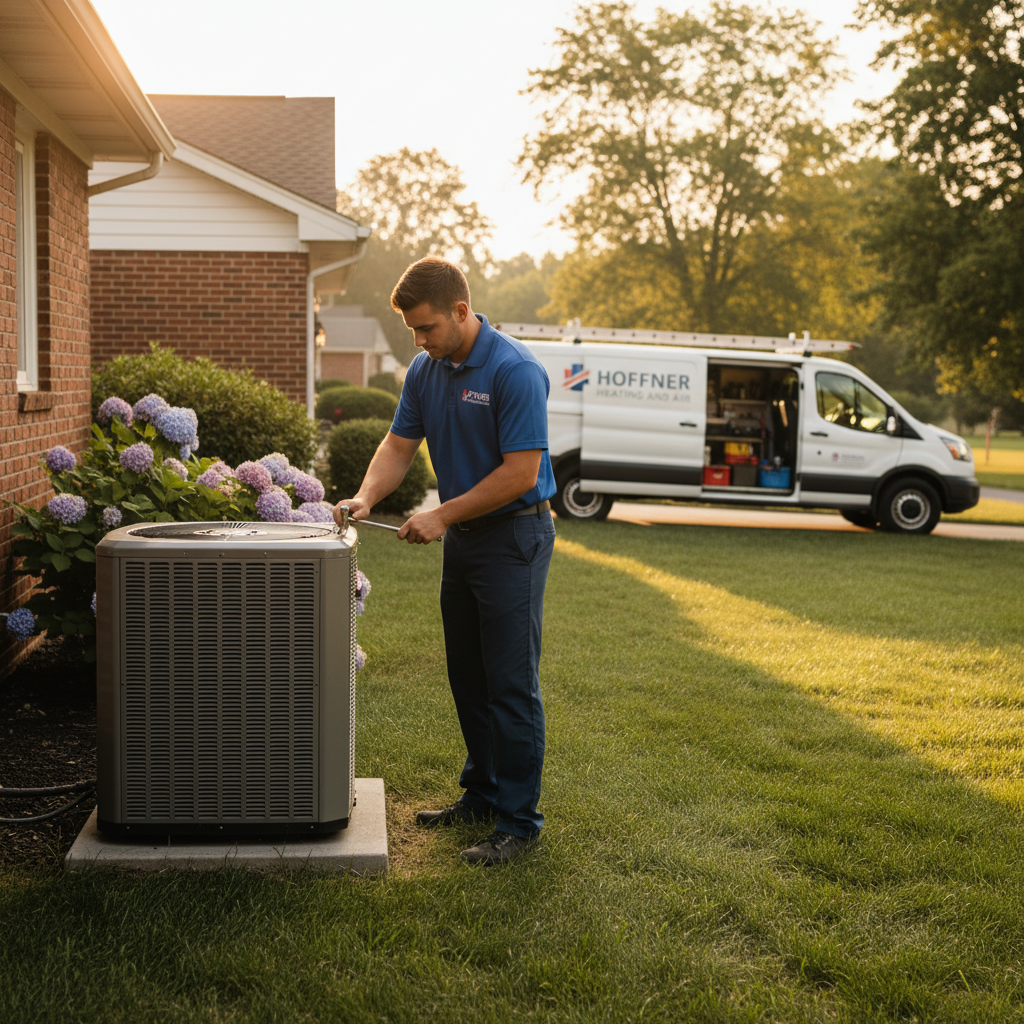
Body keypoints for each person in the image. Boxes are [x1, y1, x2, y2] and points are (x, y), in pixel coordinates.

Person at [333, 256, 557, 866]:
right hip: (466, 542)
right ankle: (482, 796)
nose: (419, 340)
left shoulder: (515, 371)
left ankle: (518, 822)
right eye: (412, 330)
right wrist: (366, 495)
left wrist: (441, 515)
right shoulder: (426, 370)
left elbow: (521, 474)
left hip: (515, 537)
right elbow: (398, 445)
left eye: (426, 327)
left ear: (462, 310)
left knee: (510, 684)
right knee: (468, 674)